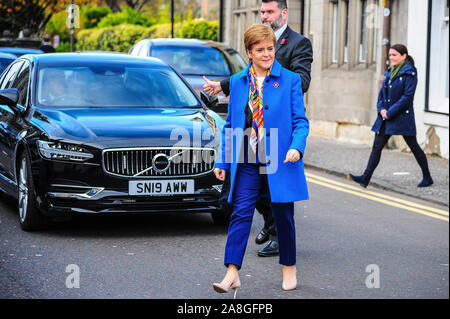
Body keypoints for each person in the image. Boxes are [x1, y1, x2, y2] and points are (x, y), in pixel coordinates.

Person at [204, 0, 313, 258]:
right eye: (262, 11)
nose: (264, 16)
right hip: (250, 138)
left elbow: (303, 80)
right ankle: (235, 265)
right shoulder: (258, 40)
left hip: (277, 133)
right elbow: (247, 76)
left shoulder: (298, 44)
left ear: (283, 13)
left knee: (278, 197)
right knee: (248, 198)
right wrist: (223, 85)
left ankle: (280, 242)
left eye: (269, 12)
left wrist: (276, 79)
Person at [349, 44, 433, 188]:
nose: (391, 58)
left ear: (404, 56)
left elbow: (407, 98)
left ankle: (427, 177)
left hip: (402, 116)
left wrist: (390, 112)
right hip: (386, 116)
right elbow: (382, 94)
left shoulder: (410, 73)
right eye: (390, 55)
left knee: (413, 146)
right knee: (377, 146)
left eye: (394, 55)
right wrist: (381, 109)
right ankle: (365, 177)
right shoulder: (390, 72)